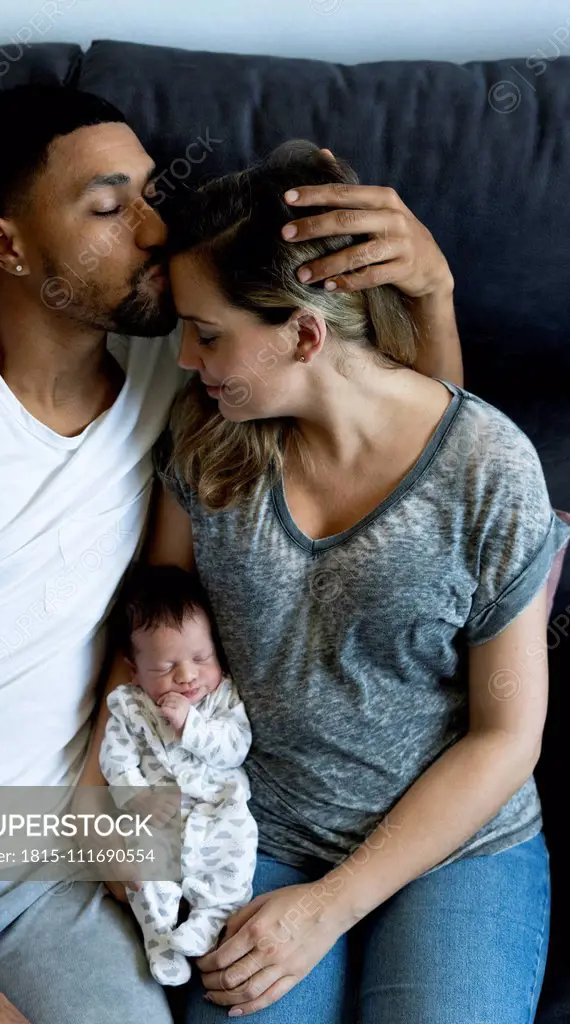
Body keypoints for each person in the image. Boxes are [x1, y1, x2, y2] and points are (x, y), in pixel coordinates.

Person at [0, 80, 461, 1024]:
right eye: (109, 208)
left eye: (153, 194)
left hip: (65, 860)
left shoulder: (188, 358)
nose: (154, 230)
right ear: (7, 244)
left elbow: (415, 465)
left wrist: (429, 289)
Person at [130, 140, 570, 1022]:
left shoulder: (489, 467)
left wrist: (329, 909)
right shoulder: (211, 438)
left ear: (303, 332)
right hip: (262, 829)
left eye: (208, 334)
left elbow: (508, 737)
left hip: (455, 846)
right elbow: (154, 626)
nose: (185, 359)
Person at [100, 564, 257, 986]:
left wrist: (193, 726)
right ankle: (159, 938)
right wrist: (135, 798)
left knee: (235, 856)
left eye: (200, 658)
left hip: (217, 807)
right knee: (143, 871)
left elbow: (235, 747)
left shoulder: (222, 697)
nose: (187, 675)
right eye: (166, 666)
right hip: (156, 815)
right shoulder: (129, 706)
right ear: (134, 669)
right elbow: (115, 759)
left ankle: (209, 921)